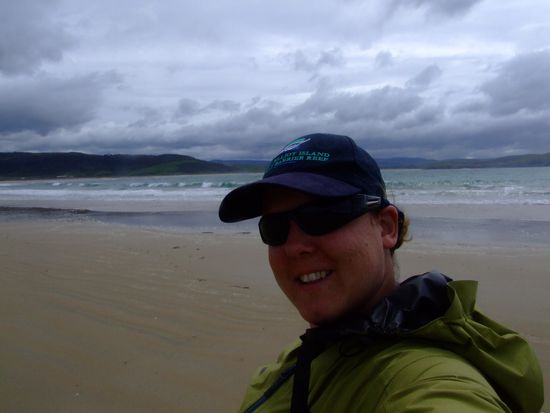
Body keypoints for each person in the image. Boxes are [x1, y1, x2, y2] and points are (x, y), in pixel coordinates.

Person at [218, 133, 543, 413]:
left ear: (386, 227)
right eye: (274, 228)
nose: (293, 247)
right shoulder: (307, 353)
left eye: (321, 216)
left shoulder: (427, 379)